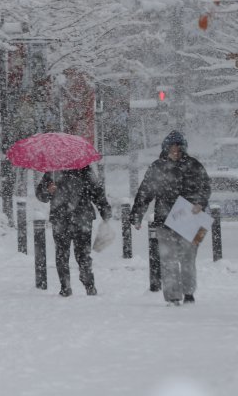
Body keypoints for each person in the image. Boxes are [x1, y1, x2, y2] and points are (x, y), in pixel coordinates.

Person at [129, 130, 211, 306]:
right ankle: (173, 296)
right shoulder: (157, 167)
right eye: (172, 148)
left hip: (190, 219)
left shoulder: (194, 166)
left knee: (188, 258)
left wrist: (200, 204)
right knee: (168, 260)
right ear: (166, 149)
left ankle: (189, 292)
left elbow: (205, 188)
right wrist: (137, 215)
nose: (175, 151)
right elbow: (145, 192)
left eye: (178, 148)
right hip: (164, 221)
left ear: (183, 149)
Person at [36, 164, 111, 296]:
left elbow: (96, 191)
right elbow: (40, 195)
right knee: (65, 254)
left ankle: (86, 284)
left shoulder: (82, 169)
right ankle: (68, 286)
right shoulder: (54, 171)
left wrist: (104, 209)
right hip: (68, 219)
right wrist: (48, 190)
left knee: (75, 254)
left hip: (77, 218)